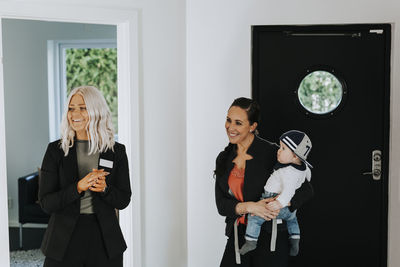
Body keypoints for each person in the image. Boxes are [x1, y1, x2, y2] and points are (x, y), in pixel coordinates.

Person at [39, 86, 131, 267]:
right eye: (71, 108)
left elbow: (123, 200)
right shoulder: (55, 151)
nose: (75, 113)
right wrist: (77, 188)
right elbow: (46, 203)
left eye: (82, 108)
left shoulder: (116, 151)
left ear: (97, 111)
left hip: (104, 239)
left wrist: (105, 189)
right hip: (63, 239)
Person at [214, 97, 313, 267]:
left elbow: (307, 190)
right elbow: (222, 205)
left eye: (238, 123)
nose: (230, 127)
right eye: (228, 120)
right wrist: (251, 206)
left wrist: (284, 203)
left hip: (270, 237)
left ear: (252, 126)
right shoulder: (224, 158)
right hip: (239, 234)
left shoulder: (274, 153)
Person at [239, 130, 312, 256]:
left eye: (283, 148)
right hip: (289, 210)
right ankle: (295, 238)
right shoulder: (303, 168)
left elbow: (289, 190)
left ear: (295, 156)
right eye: (280, 146)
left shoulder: (289, 172)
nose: (279, 150)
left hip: (273, 200)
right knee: (292, 219)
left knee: (255, 218)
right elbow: (307, 178)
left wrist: (279, 203)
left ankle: (251, 241)